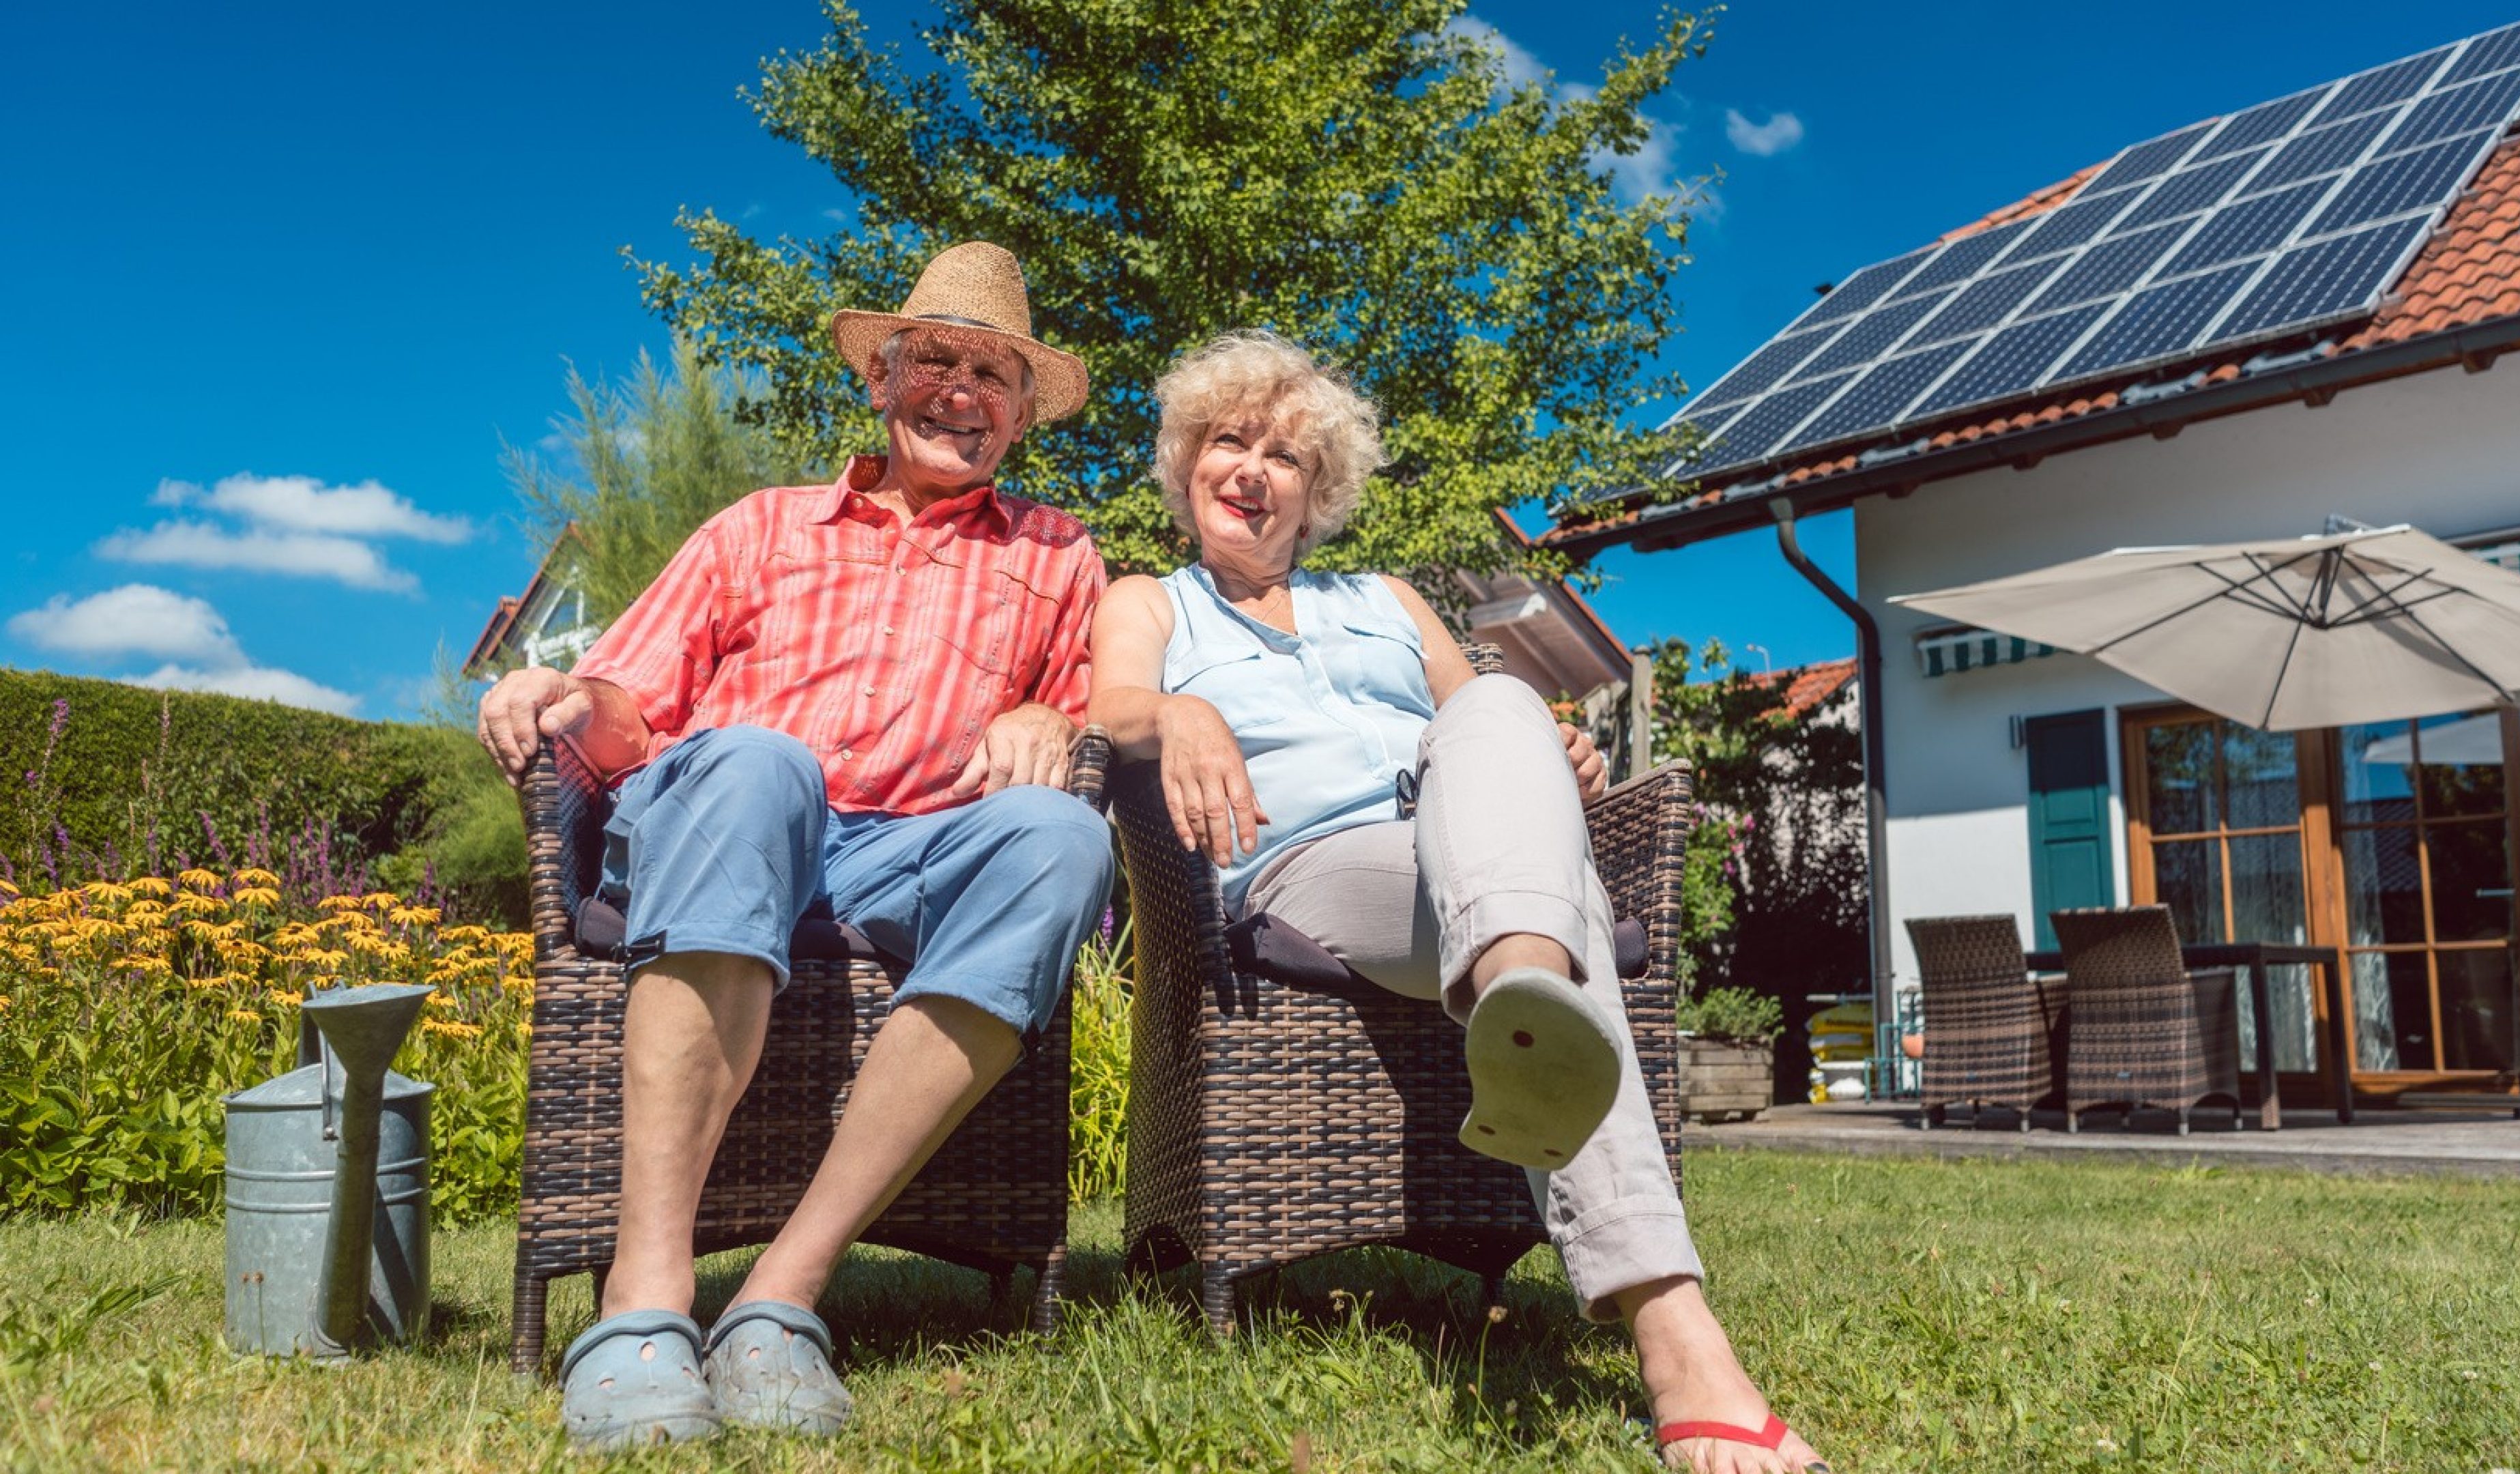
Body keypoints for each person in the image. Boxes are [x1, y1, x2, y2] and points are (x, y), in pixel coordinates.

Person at [1085, 331, 1830, 1474]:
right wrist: (1177, 715)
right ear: (1187, 467)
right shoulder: (1155, 603)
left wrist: (1552, 755)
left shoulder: (1384, 599)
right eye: (1228, 441)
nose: (1253, 469)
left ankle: (1525, 1006)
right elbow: (1108, 713)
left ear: (1316, 489)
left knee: (1498, 710)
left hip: (1464, 861)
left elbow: (1482, 726)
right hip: (1305, 874)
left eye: (1283, 454)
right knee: (1549, 865)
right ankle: (1674, 1328)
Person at [476, 242, 1115, 1450]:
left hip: (911, 853)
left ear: (1024, 414)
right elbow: (632, 705)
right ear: (881, 375)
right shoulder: (760, 527)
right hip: (729, 820)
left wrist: (1049, 715)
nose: (963, 392)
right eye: (936, 359)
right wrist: (559, 691)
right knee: (767, 759)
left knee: (1061, 835)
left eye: (996, 374)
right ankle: (644, 1300)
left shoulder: (1059, 556)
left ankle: (782, 1294)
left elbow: (1094, 710)